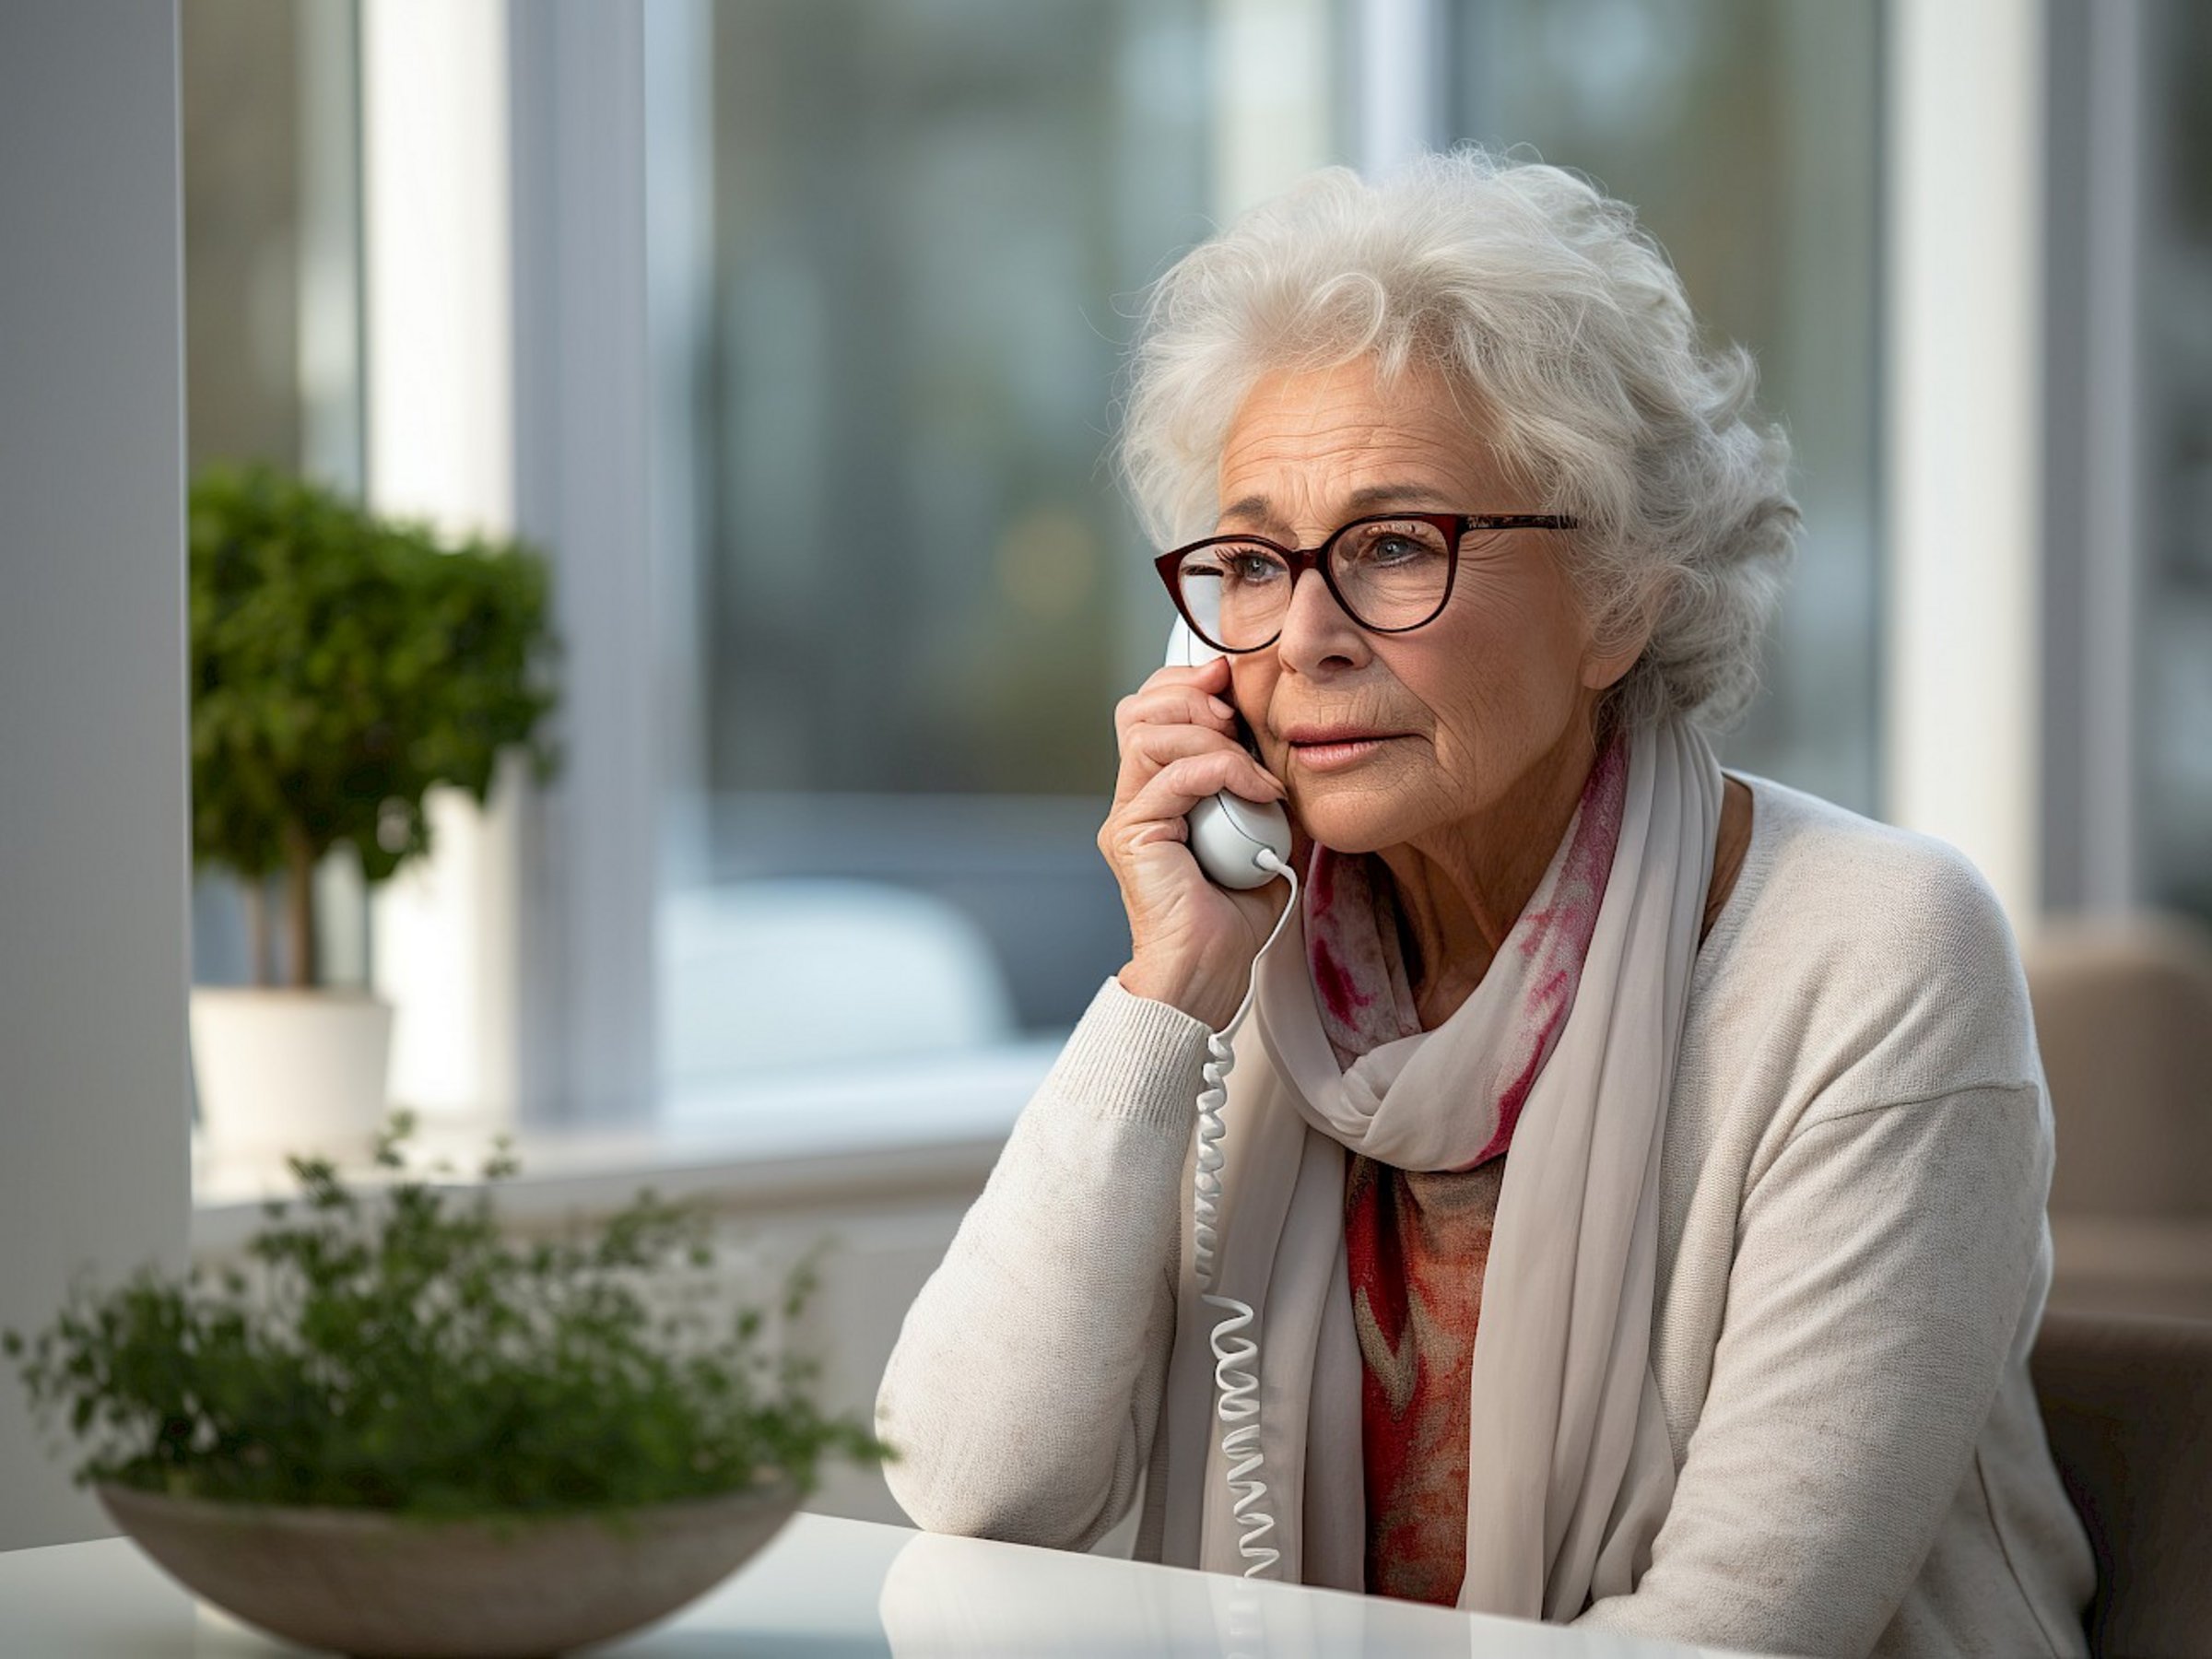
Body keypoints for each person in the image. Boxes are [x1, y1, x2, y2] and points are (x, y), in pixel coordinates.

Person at [875, 147, 2096, 1659]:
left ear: (1624, 594)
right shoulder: (1263, 950)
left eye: (1394, 545)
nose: (1303, 635)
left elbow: (1730, 1639)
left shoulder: (1875, 953)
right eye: (1253, 560)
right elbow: (972, 1489)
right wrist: (1170, 993)